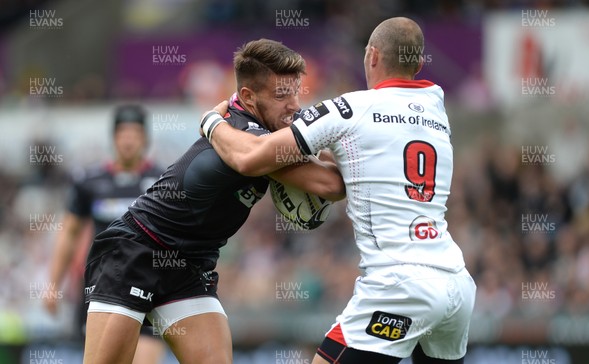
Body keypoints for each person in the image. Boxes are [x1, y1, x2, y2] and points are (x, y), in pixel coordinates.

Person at [202, 17, 476, 363]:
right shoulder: (436, 106)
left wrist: (211, 122)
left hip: (399, 285)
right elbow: (373, 150)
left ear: (372, 56)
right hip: (457, 286)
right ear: (419, 64)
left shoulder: (350, 109)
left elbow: (252, 157)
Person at [82, 39, 345, 364]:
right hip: (137, 251)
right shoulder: (247, 136)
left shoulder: (270, 125)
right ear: (248, 96)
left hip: (191, 265)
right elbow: (330, 182)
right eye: (281, 95)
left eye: (296, 92)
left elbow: (333, 158)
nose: (293, 104)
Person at [44, 105, 166, 364]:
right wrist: (54, 284)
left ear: (145, 138)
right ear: (113, 137)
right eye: (123, 132)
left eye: (135, 133)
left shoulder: (162, 181)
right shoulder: (89, 181)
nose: (129, 139)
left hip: (148, 289)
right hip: (100, 288)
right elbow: (69, 232)